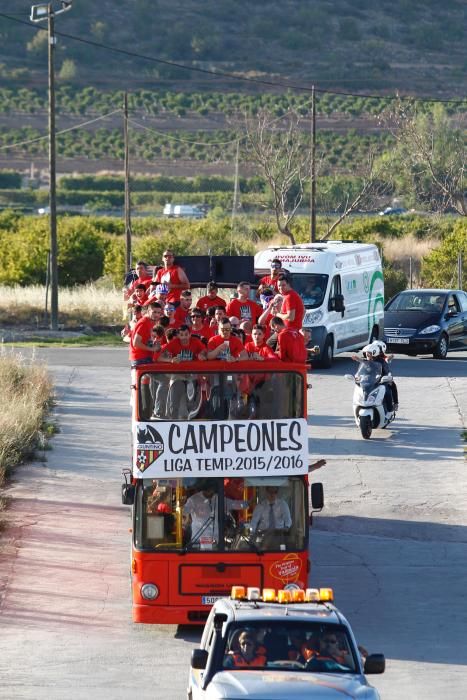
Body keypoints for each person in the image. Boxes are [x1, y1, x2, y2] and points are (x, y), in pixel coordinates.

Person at [183, 482, 248, 545]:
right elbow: (184, 511)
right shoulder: (193, 499)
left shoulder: (218, 498)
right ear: (204, 489)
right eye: (209, 490)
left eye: (213, 490)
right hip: (198, 539)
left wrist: (248, 503)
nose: (211, 492)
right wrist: (181, 507)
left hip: (215, 540)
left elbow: (233, 504)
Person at [352, 341, 398, 411]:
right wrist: (358, 376)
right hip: (370, 380)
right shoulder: (367, 360)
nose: (367, 355)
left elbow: (386, 363)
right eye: (367, 353)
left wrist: (387, 377)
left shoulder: (381, 361)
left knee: (389, 389)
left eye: (369, 353)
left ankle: (393, 405)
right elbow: (363, 366)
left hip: (381, 380)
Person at [129, 302, 163, 367]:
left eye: (159, 313)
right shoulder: (144, 323)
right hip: (140, 358)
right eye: (154, 312)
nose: (156, 315)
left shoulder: (151, 321)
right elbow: (136, 343)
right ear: (148, 311)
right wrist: (152, 349)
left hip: (146, 357)